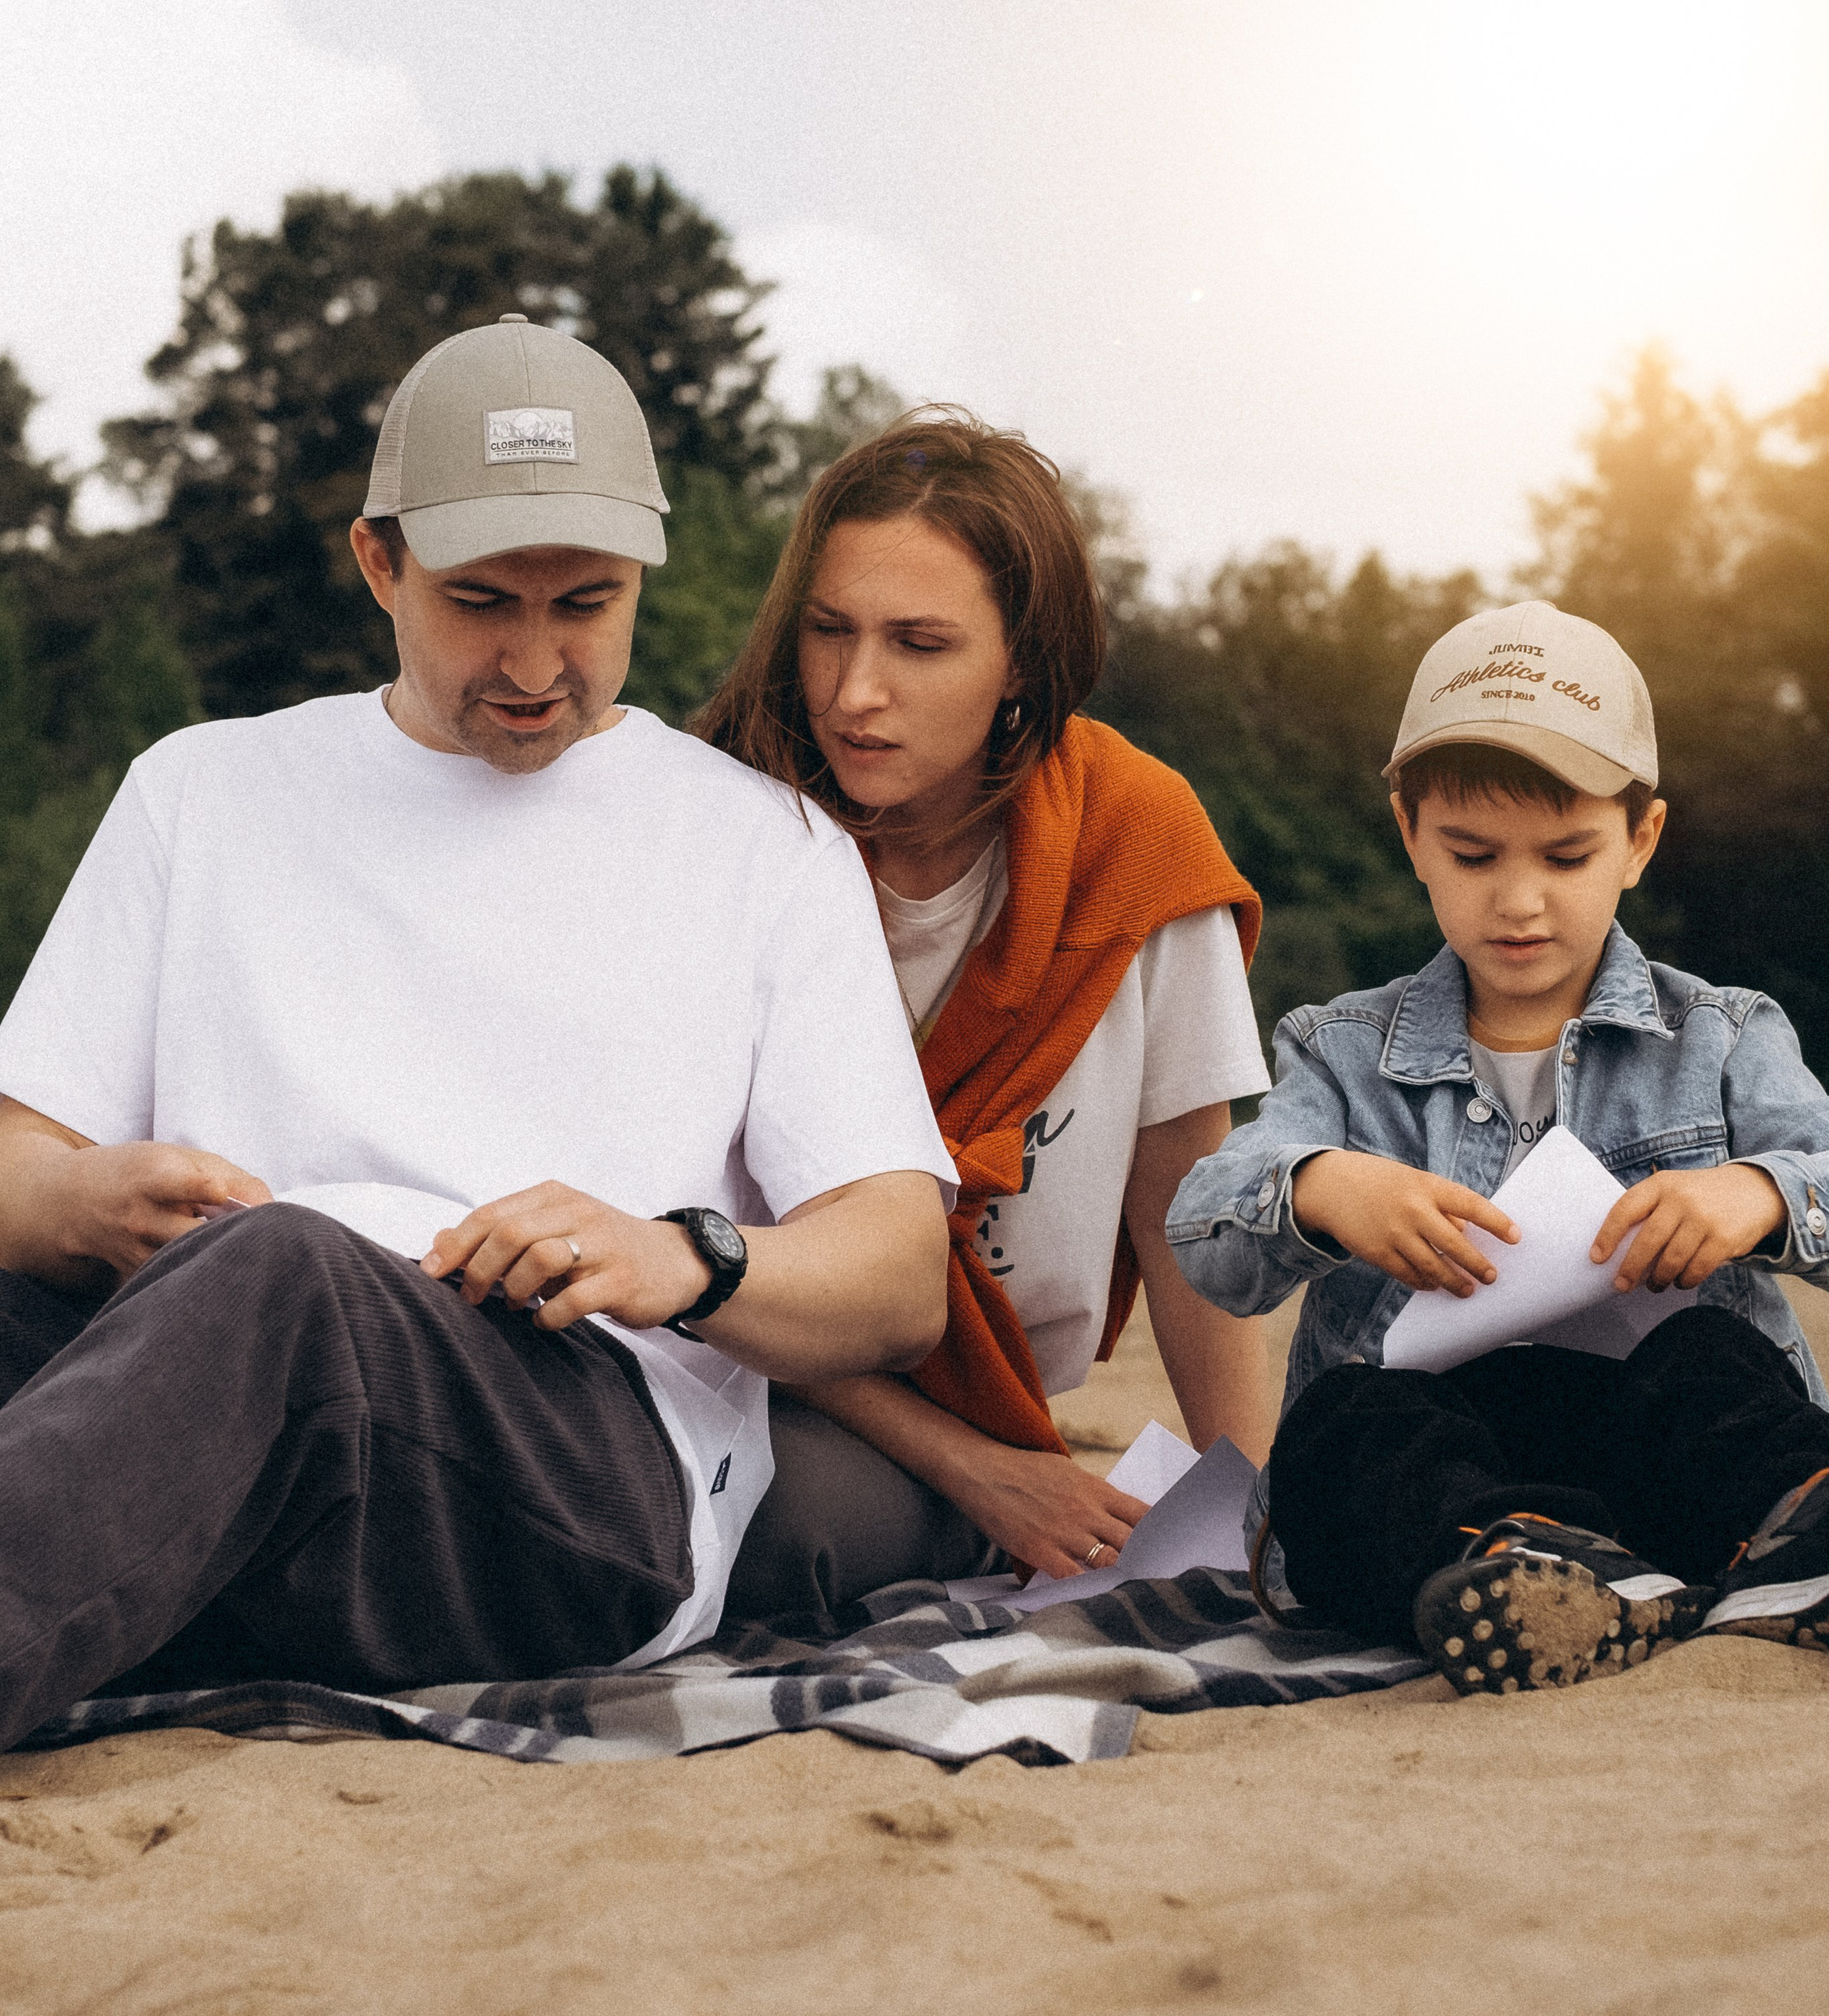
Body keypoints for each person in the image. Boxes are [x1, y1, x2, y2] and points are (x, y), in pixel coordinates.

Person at [0, 314, 955, 1753]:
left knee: (283, 1278)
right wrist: (80, 1198)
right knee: (199, 1289)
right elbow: (18, 1166)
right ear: (378, 561)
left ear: (643, 570)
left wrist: (679, 1255)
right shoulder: (200, 790)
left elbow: (899, 1270)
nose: (534, 658)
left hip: (578, 1457)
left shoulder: (766, 848)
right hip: (208, 1380)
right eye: (481, 599)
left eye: (585, 601)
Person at [1167, 600, 1829, 1693]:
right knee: (1344, 1425)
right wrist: (1323, 1185)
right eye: (1472, 853)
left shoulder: (1724, 1035)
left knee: (1715, 1366)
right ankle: (1527, 1578)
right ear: (1409, 832)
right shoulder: (1338, 1051)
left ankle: (1790, 1538)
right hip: (1453, 1501)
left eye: (1567, 855)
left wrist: (1760, 1193)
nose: (1520, 900)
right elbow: (1204, 1235)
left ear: (1641, 840)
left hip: (1669, 1471)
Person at [698, 412, 1277, 1628]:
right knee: (752, 1520)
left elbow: (1187, 1217)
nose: (855, 692)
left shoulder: (1136, 839)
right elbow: (691, 1242)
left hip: (981, 1406)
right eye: (829, 629)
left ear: (1023, 663)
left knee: (792, 1529)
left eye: (921, 643)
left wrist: (1255, 1514)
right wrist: (985, 1475)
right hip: (730, 1358)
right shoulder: (716, 822)